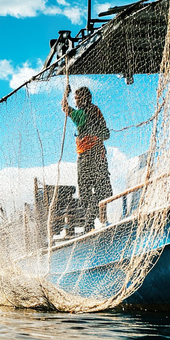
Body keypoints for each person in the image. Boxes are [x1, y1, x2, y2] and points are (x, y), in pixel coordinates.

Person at [61, 85, 113, 232]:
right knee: (104, 191)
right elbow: (106, 134)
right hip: (99, 156)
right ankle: (98, 220)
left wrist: (65, 94)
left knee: (85, 194)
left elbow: (65, 107)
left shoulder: (80, 115)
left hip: (86, 159)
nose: (75, 102)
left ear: (83, 99)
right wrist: (98, 134)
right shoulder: (97, 111)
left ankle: (89, 223)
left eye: (76, 99)